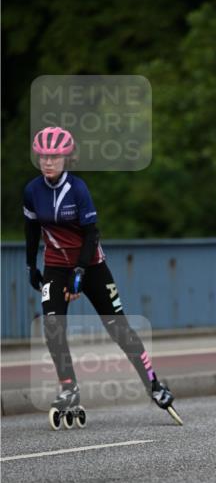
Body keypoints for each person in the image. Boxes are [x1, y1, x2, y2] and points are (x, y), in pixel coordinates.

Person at [24, 126, 179, 424]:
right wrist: (31, 265)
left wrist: (80, 273)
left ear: (66, 159)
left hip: (91, 265)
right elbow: (31, 230)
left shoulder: (78, 189)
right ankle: (68, 388)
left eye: (54, 157)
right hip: (55, 264)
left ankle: (154, 385)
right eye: (43, 156)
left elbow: (91, 234)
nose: (48, 162)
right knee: (52, 326)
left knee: (117, 328)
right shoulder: (32, 191)